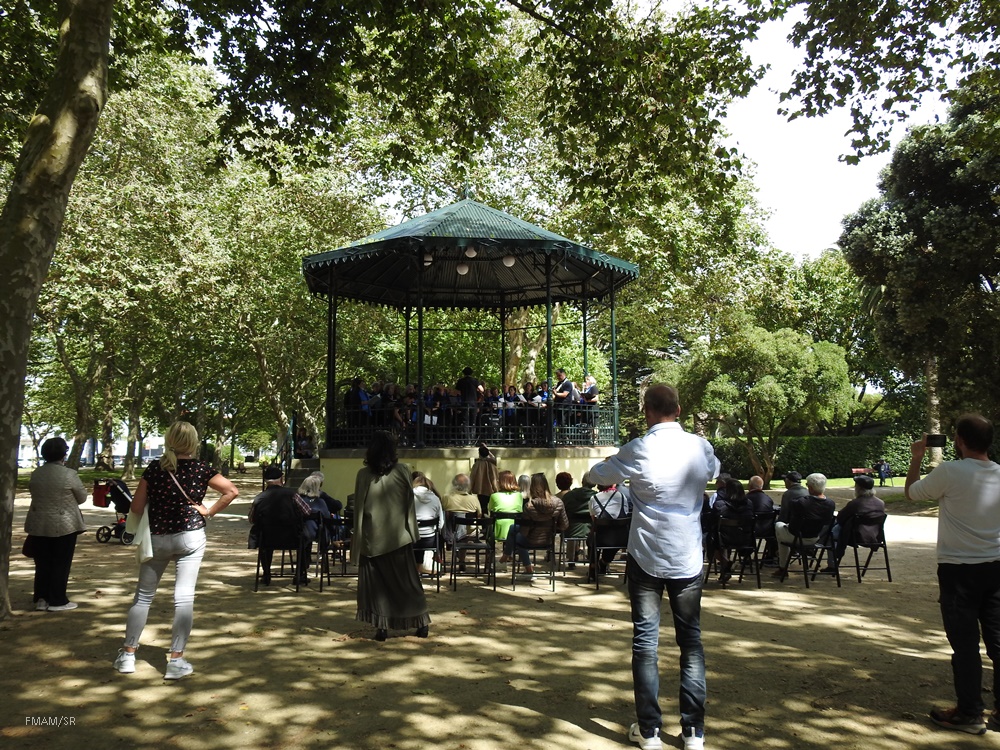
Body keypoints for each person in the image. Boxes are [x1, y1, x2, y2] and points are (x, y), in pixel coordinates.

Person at [589, 384, 719, 750]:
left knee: (645, 643)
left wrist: (608, 466)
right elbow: (714, 470)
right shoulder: (699, 446)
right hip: (687, 555)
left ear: (647, 411)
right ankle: (694, 731)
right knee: (690, 642)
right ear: (677, 410)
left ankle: (650, 732)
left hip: (646, 555)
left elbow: (598, 475)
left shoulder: (638, 448)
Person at [114, 421, 239, 679]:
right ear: (193, 442)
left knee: (143, 597)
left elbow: (136, 508)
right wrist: (209, 511)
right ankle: (176, 660)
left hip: (157, 537)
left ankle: (127, 655)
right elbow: (231, 491)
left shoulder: (155, 469)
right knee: (184, 598)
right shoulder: (202, 469)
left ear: (169, 439)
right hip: (190, 536)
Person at [906, 415, 1000, 735]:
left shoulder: (950, 471)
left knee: (965, 644)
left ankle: (970, 713)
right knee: (998, 642)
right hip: (996, 566)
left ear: (959, 440)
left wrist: (917, 458)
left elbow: (912, 493)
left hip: (959, 569)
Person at [352, 431, 430, 641]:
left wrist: (357, 543)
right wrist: (412, 531)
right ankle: (421, 623)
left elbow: (358, 508)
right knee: (408, 582)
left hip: (373, 539)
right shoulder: (403, 470)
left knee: (378, 585)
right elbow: (409, 503)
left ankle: (382, 627)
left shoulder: (363, 474)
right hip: (399, 537)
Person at [24, 437, 87, 612]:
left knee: (42, 563)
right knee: (61, 562)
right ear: (64, 454)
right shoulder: (69, 474)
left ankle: (41, 598)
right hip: (64, 524)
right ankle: (58, 600)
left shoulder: (37, 473)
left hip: (38, 523)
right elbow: (82, 497)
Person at [249, 465, 314, 585]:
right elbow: (307, 511)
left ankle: (267, 574)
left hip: (267, 539)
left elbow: (252, 519)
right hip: (293, 537)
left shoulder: (259, 498)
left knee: (264, 541)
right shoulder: (292, 494)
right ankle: (300, 574)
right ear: (281, 479)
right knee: (307, 539)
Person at [504, 473, 568, 578]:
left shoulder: (529, 505)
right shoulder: (559, 502)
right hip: (548, 540)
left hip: (530, 541)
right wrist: (552, 528)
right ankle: (509, 556)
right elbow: (564, 525)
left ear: (532, 487)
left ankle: (508, 555)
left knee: (515, 534)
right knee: (514, 529)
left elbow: (524, 532)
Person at [772, 473, 835, 578]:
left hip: (798, 537)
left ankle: (783, 567)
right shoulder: (830, 504)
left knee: (778, 525)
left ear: (810, 487)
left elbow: (791, 521)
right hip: (817, 537)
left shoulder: (800, 503)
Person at [828, 474, 885, 569]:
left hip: (855, 537)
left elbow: (840, 518)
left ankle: (832, 565)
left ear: (859, 488)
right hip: (875, 537)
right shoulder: (880, 503)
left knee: (830, 534)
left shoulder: (855, 503)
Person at [587, 480, 631, 582]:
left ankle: (593, 567)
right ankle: (604, 562)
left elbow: (594, 519)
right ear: (614, 484)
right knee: (613, 535)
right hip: (622, 539)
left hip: (601, 538)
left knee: (593, 537)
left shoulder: (594, 498)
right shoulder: (623, 497)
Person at [562, 472, 597, 569]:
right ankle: (593, 561)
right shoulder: (597, 497)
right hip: (590, 530)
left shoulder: (569, 495)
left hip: (570, 530)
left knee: (571, 524)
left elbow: (562, 510)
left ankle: (571, 559)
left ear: (582, 481)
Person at [412, 472, 445, 574]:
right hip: (430, 540)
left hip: (411, 540)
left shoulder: (408, 497)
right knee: (433, 533)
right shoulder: (435, 498)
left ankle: (412, 568)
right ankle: (436, 555)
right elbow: (441, 523)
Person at [489, 470, 524, 565]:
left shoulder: (494, 496)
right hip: (514, 529)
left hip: (498, 530)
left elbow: (490, 510)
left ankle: (491, 559)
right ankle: (510, 554)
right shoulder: (519, 496)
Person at [746, 475, 776, 564]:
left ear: (750, 486)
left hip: (750, 530)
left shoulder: (746, 499)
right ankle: (771, 555)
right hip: (767, 530)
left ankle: (746, 556)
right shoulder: (768, 499)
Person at [470, 443, 500, 513]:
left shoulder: (477, 464)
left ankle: (484, 521)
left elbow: (472, 477)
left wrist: (470, 488)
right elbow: (493, 458)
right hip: (491, 489)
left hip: (480, 490)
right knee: (490, 507)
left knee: (482, 507)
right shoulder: (492, 464)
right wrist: (487, 450)